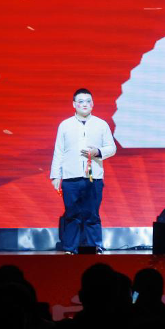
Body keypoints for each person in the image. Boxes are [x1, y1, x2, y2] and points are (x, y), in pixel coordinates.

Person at [50, 88, 116, 255]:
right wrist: (56, 175)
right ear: (74, 104)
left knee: (92, 214)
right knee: (72, 214)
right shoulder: (65, 125)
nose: (84, 104)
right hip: (71, 177)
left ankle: (95, 247)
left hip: (94, 177)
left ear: (92, 104)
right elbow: (59, 151)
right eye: (80, 101)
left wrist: (97, 152)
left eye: (88, 101)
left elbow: (112, 148)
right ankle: (70, 249)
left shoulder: (101, 124)